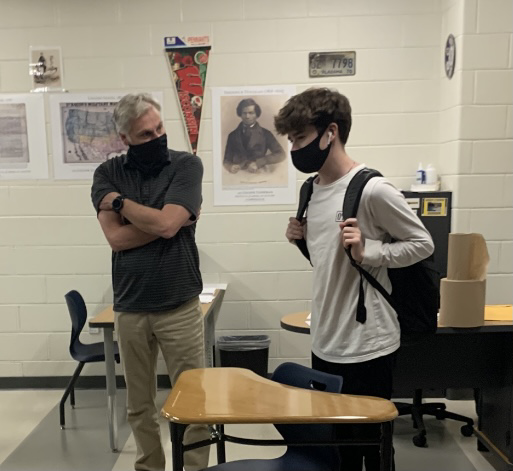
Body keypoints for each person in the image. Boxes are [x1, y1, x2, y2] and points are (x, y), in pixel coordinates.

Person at [275, 87, 434, 471]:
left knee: (374, 449)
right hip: (326, 339)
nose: (294, 148)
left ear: (331, 132)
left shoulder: (371, 189)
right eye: (291, 139)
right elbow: (331, 263)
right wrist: (302, 241)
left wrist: (372, 251)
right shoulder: (310, 190)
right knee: (338, 449)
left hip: (368, 344)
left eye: (300, 137)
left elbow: (423, 243)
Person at [91, 93, 209, 471]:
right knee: (139, 406)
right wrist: (167, 223)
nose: (157, 136)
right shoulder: (106, 174)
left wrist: (123, 206)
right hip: (130, 307)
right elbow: (117, 239)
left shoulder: (186, 164)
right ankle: (150, 467)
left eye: (159, 128)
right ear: (124, 138)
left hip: (180, 305)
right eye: (145, 134)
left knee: (194, 402)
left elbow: (167, 223)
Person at [223, 98, 286, 174]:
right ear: (240, 114)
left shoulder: (265, 134)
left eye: (251, 113)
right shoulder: (232, 135)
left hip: (260, 173)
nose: (247, 116)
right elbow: (226, 160)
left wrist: (259, 162)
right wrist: (230, 166)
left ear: (256, 114)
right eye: (244, 113)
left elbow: (281, 154)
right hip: (238, 174)